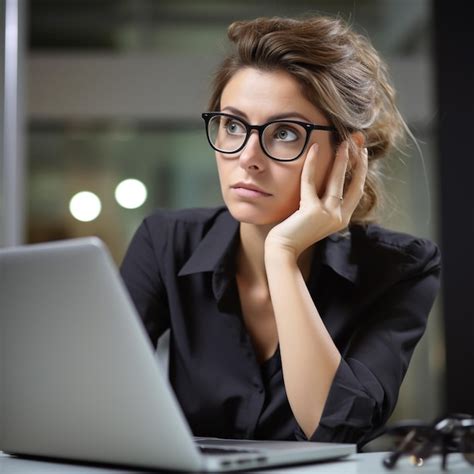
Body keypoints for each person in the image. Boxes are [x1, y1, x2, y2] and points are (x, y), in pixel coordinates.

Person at [120, 15, 441, 447]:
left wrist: (282, 254)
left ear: (345, 153)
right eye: (233, 125)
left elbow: (332, 428)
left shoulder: (402, 267)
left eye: (285, 132)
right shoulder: (166, 242)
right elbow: (92, 393)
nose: (248, 157)